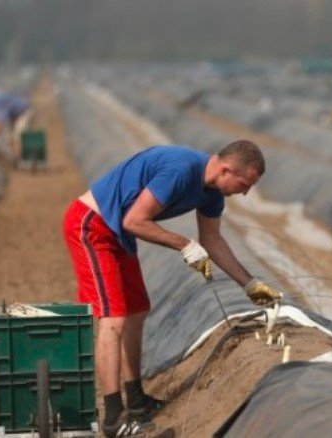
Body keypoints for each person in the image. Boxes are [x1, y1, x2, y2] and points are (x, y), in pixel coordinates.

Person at [62, 140, 283, 437]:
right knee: (113, 318)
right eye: (244, 184)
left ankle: (136, 400)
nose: (244, 193)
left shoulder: (212, 195)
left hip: (117, 234)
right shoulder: (180, 169)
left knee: (138, 311)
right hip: (92, 225)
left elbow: (213, 240)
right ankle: (114, 419)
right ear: (226, 169)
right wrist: (184, 244)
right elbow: (134, 221)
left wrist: (250, 284)